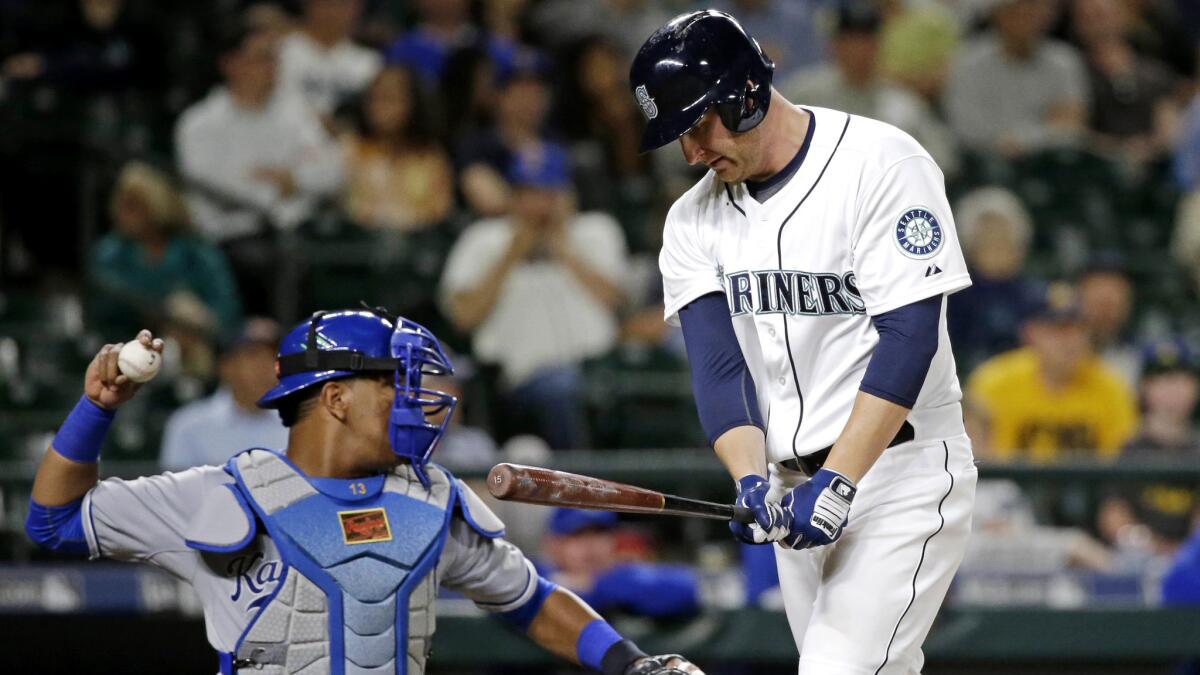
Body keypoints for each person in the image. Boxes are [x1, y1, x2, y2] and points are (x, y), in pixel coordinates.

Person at [23, 310, 703, 675]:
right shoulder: (218, 493)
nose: (419, 401)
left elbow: (530, 601)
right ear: (337, 397)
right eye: (395, 385)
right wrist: (98, 408)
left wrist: (629, 661)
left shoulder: (428, 498)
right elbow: (52, 522)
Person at [630, 11, 978, 673]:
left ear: (747, 94)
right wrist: (749, 478)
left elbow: (910, 336)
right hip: (794, 493)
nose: (692, 153)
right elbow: (719, 365)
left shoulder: (883, 162)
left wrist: (840, 479)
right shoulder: (691, 221)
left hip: (897, 473)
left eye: (698, 124)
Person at [440, 143, 628, 449]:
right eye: (529, 192)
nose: (539, 204)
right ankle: (583, 490)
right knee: (562, 389)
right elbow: (462, 316)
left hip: (600, 370)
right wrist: (512, 254)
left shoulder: (595, 231)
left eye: (548, 192)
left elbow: (618, 302)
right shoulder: (484, 238)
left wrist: (563, 249)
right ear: (513, 195)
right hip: (517, 383)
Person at [175, 18, 342, 313]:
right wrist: (284, 187)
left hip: (295, 233)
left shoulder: (294, 113)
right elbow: (221, 191)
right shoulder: (198, 124)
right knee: (275, 265)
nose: (272, 67)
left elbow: (333, 171)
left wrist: (290, 178)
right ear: (231, 64)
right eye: (262, 58)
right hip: (228, 239)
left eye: (274, 58)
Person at [782, 2, 959, 177]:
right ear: (833, 46)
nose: (858, 50)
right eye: (849, 42)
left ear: (879, 45)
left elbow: (944, 158)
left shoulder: (902, 101)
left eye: (866, 41)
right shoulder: (803, 93)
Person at [965, 283, 1138, 461]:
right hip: (1009, 487)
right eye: (1057, 330)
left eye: (1078, 329)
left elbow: (1119, 463)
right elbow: (979, 459)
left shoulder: (1111, 386)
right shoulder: (994, 382)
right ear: (1030, 333)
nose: (1070, 341)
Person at [88, 161, 242, 347]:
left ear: (155, 206)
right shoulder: (110, 253)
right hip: (130, 345)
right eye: (122, 205)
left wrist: (193, 319)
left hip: (197, 345)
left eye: (134, 206)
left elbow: (226, 309)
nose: (124, 214)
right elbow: (101, 313)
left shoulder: (195, 251)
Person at [944, 0, 1089, 157]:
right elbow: (966, 129)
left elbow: (1071, 126)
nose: (1031, 16)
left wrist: (1019, 140)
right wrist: (1044, 131)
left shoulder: (1064, 61)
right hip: (987, 162)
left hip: (1051, 161)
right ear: (998, 14)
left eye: (1038, 8)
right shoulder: (967, 62)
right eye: (1020, 9)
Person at [1097, 338, 1200, 554]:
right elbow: (1113, 516)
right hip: (1136, 559)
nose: (1173, 390)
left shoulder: (1197, 449)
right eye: (1161, 380)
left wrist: (1184, 555)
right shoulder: (1128, 447)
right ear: (1145, 387)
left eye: (1183, 379)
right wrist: (1153, 549)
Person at [160, 318, 289, 471]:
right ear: (225, 367)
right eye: (253, 356)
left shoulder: (298, 422)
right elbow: (176, 493)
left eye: (273, 357)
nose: (266, 367)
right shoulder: (189, 426)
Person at [340, 65, 454, 232]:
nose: (380, 108)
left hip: (417, 244)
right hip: (360, 243)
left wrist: (407, 218)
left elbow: (440, 210)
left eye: (390, 98)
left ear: (413, 103)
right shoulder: (351, 149)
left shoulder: (431, 156)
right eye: (374, 98)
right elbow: (346, 207)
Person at [540, 508, 700, 620]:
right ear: (553, 543)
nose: (591, 545)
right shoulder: (537, 575)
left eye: (599, 533)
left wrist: (598, 585)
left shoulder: (622, 576)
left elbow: (685, 588)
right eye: (577, 534)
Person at [946, 187, 1041, 373]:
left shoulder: (1034, 297)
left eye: (1004, 236)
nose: (996, 244)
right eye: (987, 236)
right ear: (970, 246)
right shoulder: (953, 298)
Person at [276, 0, 381, 118]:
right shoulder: (280, 52)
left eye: (341, 4)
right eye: (326, 4)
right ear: (307, 5)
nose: (333, 12)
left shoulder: (371, 63)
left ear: (356, 7)